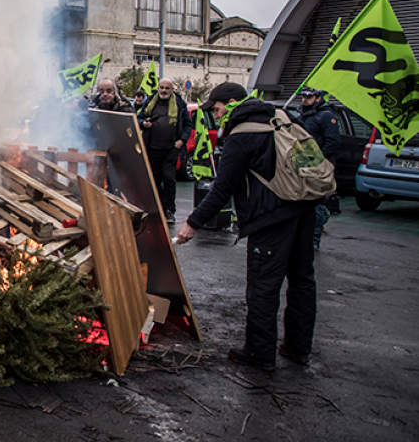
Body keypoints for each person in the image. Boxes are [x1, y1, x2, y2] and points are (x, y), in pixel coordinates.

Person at [175, 82, 319, 371]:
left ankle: (259, 353)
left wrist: (192, 223)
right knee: (302, 281)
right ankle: (297, 347)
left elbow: (222, 188)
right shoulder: (281, 117)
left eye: (216, 109)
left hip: (270, 219)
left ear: (230, 102)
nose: (215, 116)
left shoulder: (240, 134)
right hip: (304, 208)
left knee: (263, 287)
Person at [137, 78, 193, 223]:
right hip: (152, 148)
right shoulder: (150, 102)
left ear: (172, 89)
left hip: (171, 149)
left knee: (169, 179)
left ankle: (169, 210)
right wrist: (144, 124)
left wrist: (182, 141)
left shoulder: (179, 104)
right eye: (162, 87)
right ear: (158, 88)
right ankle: (156, 207)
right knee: (154, 179)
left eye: (167, 88)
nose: (164, 91)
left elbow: (188, 124)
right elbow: (138, 119)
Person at [299, 87, 341, 246]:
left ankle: (314, 239)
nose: (305, 99)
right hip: (303, 163)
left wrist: (318, 160)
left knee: (316, 202)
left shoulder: (326, 116)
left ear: (318, 97)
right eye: (303, 96)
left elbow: (333, 143)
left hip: (318, 165)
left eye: (308, 97)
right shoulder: (306, 114)